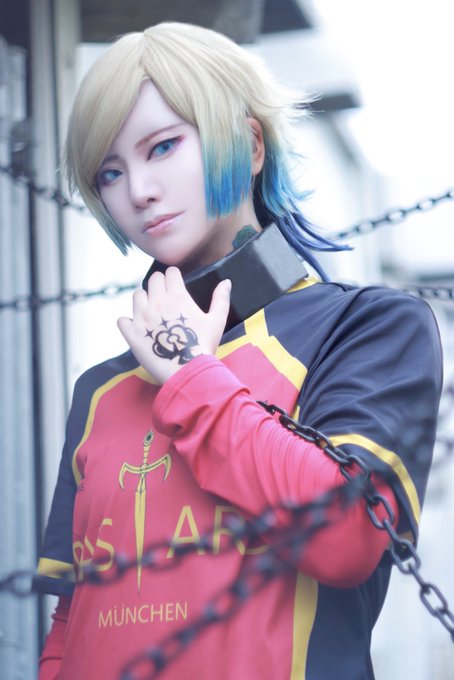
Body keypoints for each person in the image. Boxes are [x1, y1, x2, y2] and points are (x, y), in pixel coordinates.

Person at [34, 21, 443, 680]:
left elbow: (347, 538)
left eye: (163, 146)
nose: (137, 191)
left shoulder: (368, 328)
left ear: (251, 145)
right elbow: (71, 623)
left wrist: (191, 377)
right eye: (110, 172)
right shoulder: (100, 391)